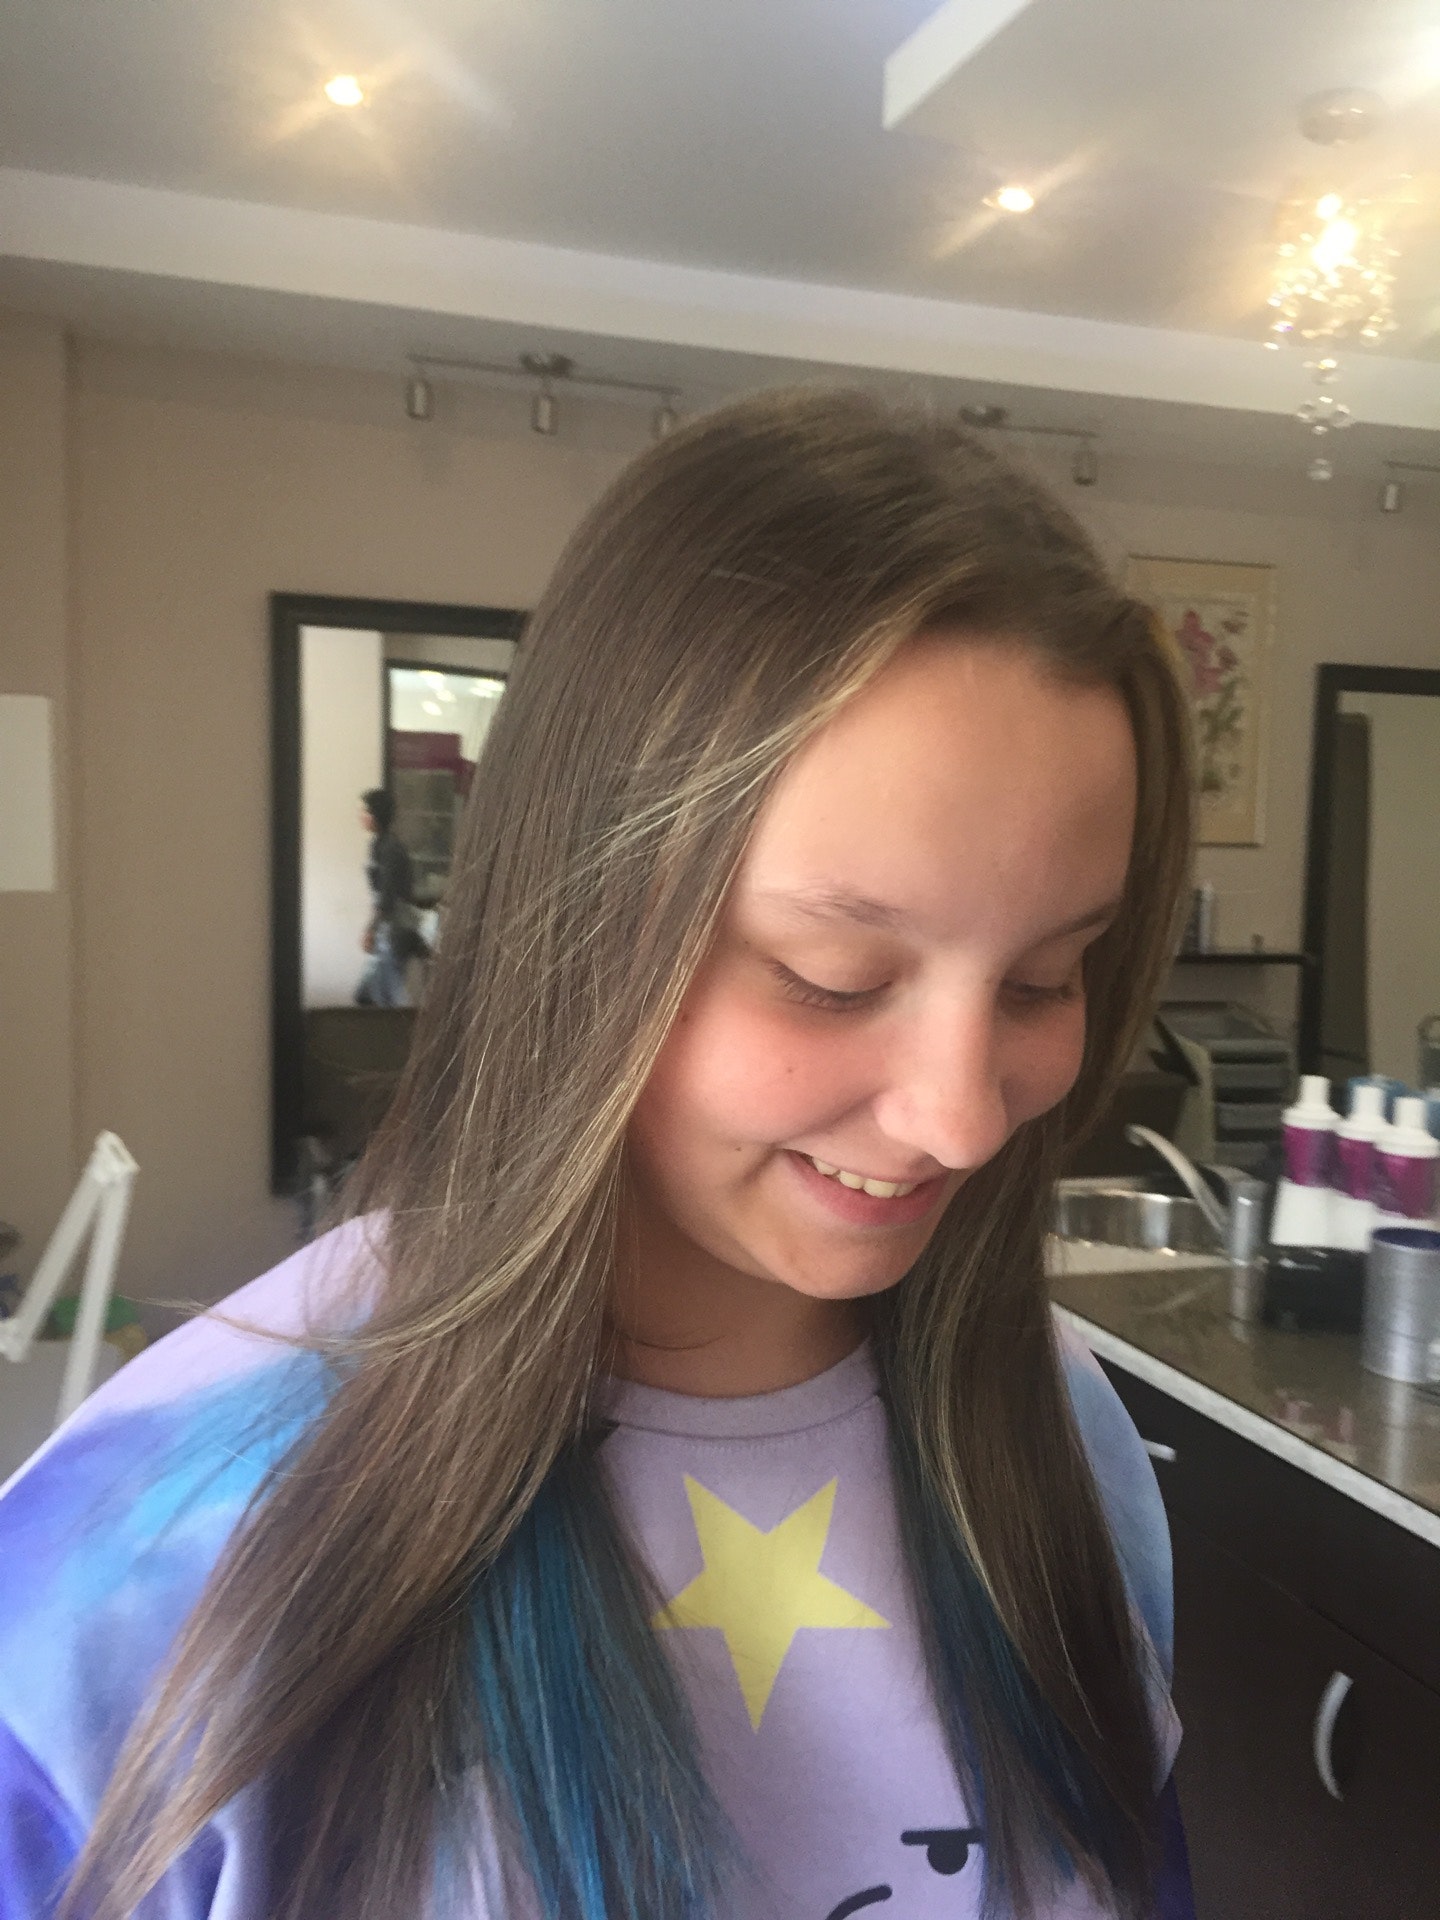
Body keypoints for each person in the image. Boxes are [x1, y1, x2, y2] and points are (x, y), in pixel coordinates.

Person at [0, 391, 1198, 1920]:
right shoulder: (147, 1566)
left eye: (1042, 981)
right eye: (829, 979)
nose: (963, 1118)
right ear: (576, 924)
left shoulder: (1061, 1444)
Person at [355, 786, 415, 1007]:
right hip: (386, 928)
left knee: (387, 999)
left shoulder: (390, 849)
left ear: (375, 815)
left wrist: (371, 929)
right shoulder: (378, 845)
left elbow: (387, 895)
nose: (361, 816)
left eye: (365, 811)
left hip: (393, 930)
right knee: (370, 996)